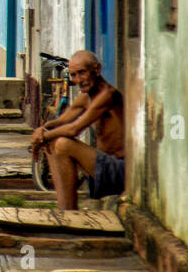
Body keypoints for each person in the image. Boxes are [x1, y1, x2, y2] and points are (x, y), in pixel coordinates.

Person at [30, 50, 125, 210]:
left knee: (63, 144)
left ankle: (69, 213)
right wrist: (42, 130)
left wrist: (43, 137)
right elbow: (61, 121)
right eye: (74, 75)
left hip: (119, 170)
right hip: (102, 171)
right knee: (52, 143)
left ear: (97, 70)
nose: (78, 80)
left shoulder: (107, 95)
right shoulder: (85, 97)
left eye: (82, 73)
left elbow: (74, 129)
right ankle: (65, 209)